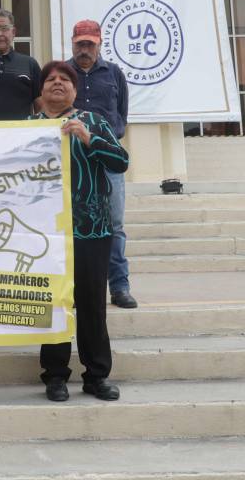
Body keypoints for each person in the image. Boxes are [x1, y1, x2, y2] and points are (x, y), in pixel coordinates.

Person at [29, 61, 129, 403]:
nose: (57, 83)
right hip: (45, 234)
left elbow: (121, 161)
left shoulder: (94, 121)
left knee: (91, 304)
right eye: (51, 79)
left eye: (65, 79)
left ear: (74, 89)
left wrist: (89, 139)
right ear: (41, 89)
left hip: (92, 230)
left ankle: (96, 376)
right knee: (54, 303)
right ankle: (55, 375)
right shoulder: (26, 126)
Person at [67, 20, 136, 309]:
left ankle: (119, 287)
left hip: (107, 157)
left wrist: (103, 138)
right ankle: (72, 288)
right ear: (72, 43)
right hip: (72, 159)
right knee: (70, 224)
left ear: (99, 44)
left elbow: (121, 113)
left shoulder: (114, 73)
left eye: (90, 44)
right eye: (80, 44)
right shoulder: (63, 73)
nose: (84, 49)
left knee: (115, 224)